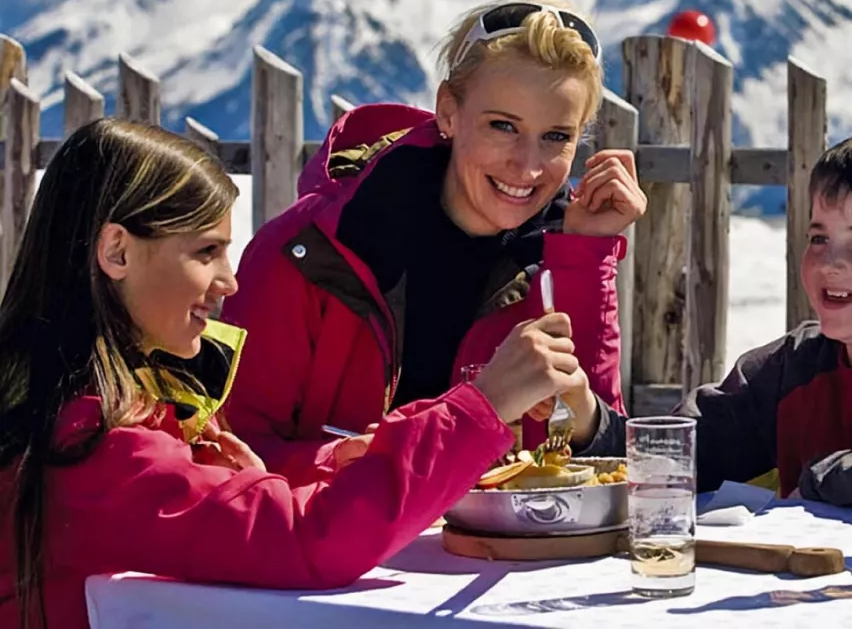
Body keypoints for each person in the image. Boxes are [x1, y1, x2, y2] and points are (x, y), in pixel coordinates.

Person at [0, 119, 586, 629]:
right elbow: (309, 541)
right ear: (118, 252)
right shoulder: (88, 441)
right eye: (206, 253)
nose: (228, 282)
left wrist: (333, 462)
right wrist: (480, 407)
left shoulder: (73, 402)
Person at [224, 0, 645, 479]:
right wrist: (360, 466)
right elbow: (228, 453)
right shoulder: (312, 247)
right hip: (333, 546)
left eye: (556, 137)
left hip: (497, 548)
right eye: (503, 126)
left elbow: (601, 467)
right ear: (448, 111)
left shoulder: (566, 257)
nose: (528, 167)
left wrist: (585, 257)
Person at [564, 130, 852, 505]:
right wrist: (585, 419)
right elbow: (679, 455)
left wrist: (823, 474)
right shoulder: (792, 366)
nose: (831, 262)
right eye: (818, 238)